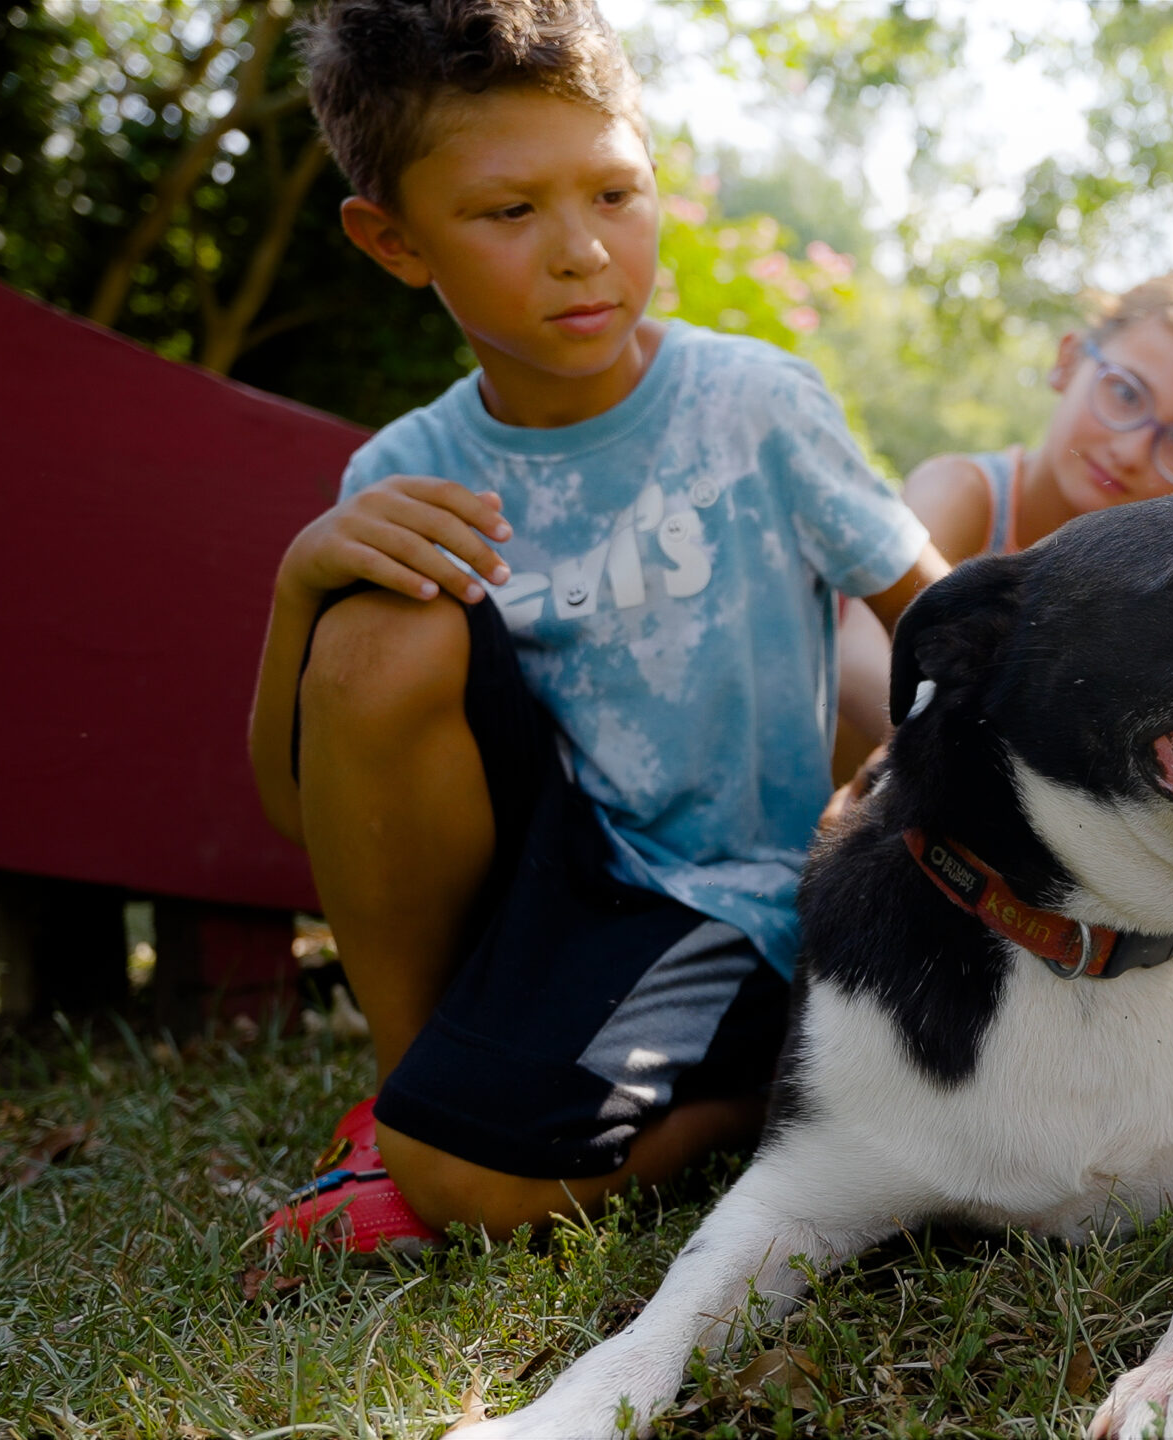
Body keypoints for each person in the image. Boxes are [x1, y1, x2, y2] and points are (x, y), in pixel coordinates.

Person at [245, 0, 946, 1252]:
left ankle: (760, 1100)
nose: (582, 251)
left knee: (482, 1193)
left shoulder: (752, 405)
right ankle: (404, 1106)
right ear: (395, 242)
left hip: (728, 903)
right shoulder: (407, 471)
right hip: (535, 891)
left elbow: (941, 628)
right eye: (509, 212)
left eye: (615, 193)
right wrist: (303, 584)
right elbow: (306, 810)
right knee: (380, 621)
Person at [829, 273, 1173, 771]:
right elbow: (855, 644)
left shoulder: (1160, 598)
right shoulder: (964, 494)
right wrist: (934, 746)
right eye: (1125, 393)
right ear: (1068, 361)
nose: (1131, 452)